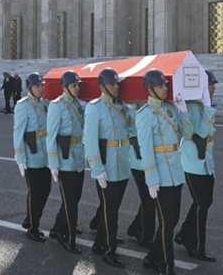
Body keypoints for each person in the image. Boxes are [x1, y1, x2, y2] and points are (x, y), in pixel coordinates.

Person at [137, 69, 193, 275]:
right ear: (150, 89)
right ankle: (167, 266)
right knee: (167, 224)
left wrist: (183, 111)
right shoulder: (145, 114)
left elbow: (186, 133)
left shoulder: (170, 109)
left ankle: (151, 257)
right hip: (160, 176)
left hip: (175, 173)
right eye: (160, 86)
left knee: (172, 219)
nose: (165, 88)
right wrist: (150, 178)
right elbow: (145, 148)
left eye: (165, 85)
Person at [84, 68, 133, 268]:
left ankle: (100, 242)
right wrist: (97, 168)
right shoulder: (94, 108)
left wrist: (133, 109)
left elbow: (132, 128)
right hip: (106, 167)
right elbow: (90, 141)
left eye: (117, 84)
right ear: (102, 86)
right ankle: (108, 249)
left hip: (121, 164)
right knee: (110, 210)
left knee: (111, 207)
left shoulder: (121, 106)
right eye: (112, 84)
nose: (116, 87)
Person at [175, 70, 219, 262]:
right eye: (210, 84)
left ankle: (184, 234)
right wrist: (208, 107)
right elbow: (201, 133)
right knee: (202, 204)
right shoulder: (193, 108)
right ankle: (197, 246)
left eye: (214, 85)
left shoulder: (202, 106)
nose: (213, 88)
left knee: (205, 202)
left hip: (205, 162)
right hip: (192, 163)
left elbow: (209, 133)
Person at [47, 71, 86, 254]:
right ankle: (69, 238)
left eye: (78, 85)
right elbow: (51, 137)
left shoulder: (79, 105)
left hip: (78, 159)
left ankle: (57, 229)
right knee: (70, 201)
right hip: (64, 160)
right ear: (65, 88)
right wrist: (53, 164)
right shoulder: (57, 106)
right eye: (74, 86)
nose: (77, 89)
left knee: (75, 198)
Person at [13, 72, 51, 242]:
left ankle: (30, 219)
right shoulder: (23, 105)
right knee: (35, 192)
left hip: (46, 155)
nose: (41, 89)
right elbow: (18, 133)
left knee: (46, 190)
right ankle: (33, 227)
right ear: (29, 88)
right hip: (31, 154)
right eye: (37, 86)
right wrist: (20, 158)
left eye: (42, 86)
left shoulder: (46, 104)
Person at [126, 101, 155, 250]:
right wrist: (131, 108)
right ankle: (146, 236)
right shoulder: (129, 105)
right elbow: (133, 127)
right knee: (149, 198)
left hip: (153, 156)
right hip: (138, 159)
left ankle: (136, 227)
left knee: (150, 198)